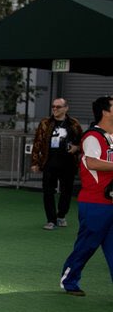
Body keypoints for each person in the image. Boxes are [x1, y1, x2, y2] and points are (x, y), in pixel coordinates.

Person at [59, 95, 113, 297]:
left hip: (109, 201)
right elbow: (91, 162)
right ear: (105, 112)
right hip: (95, 203)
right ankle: (69, 279)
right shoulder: (93, 136)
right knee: (87, 245)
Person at [31, 98, 83, 230]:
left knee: (66, 191)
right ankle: (51, 219)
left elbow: (82, 141)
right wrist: (35, 162)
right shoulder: (45, 123)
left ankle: (61, 215)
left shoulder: (74, 124)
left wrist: (76, 148)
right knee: (48, 191)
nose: (55, 109)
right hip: (49, 161)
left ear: (66, 108)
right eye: (53, 106)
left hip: (68, 163)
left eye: (58, 107)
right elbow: (37, 142)